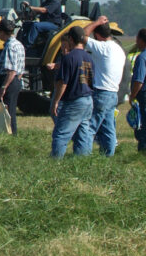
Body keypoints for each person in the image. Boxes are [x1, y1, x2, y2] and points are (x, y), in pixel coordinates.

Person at [80, 16, 126, 156]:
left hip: (101, 92)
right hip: (113, 94)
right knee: (108, 129)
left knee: (89, 127)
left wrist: (96, 22)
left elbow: (81, 35)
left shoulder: (102, 47)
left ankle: (83, 157)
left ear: (98, 35)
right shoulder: (118, 49)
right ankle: (108, 156)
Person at [49, 26, 94, 158]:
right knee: (83, 134)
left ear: (71, 39)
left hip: (74, 101)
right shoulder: (89, 57)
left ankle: (55, 164)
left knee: (61, 134)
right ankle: (82, 162)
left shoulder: (68, 58)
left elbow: (63, 82)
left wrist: (56, 102)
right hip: (88, 99)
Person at [0, 18, 25, 135]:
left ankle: (8, 135)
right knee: (10, 111)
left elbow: (11, 71)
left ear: (2, 32)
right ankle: (10, 134)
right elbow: (20, 70)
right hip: (15, 81)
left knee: (6, 113)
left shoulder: (10, 46)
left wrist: (3, 87)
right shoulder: (19, 45)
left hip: (7, 81)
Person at [129, 28, 146, 153]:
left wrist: (132, 95)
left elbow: (139, 80)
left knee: (143, 126)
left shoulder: (142, 58)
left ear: (141, 40)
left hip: (144, 96)